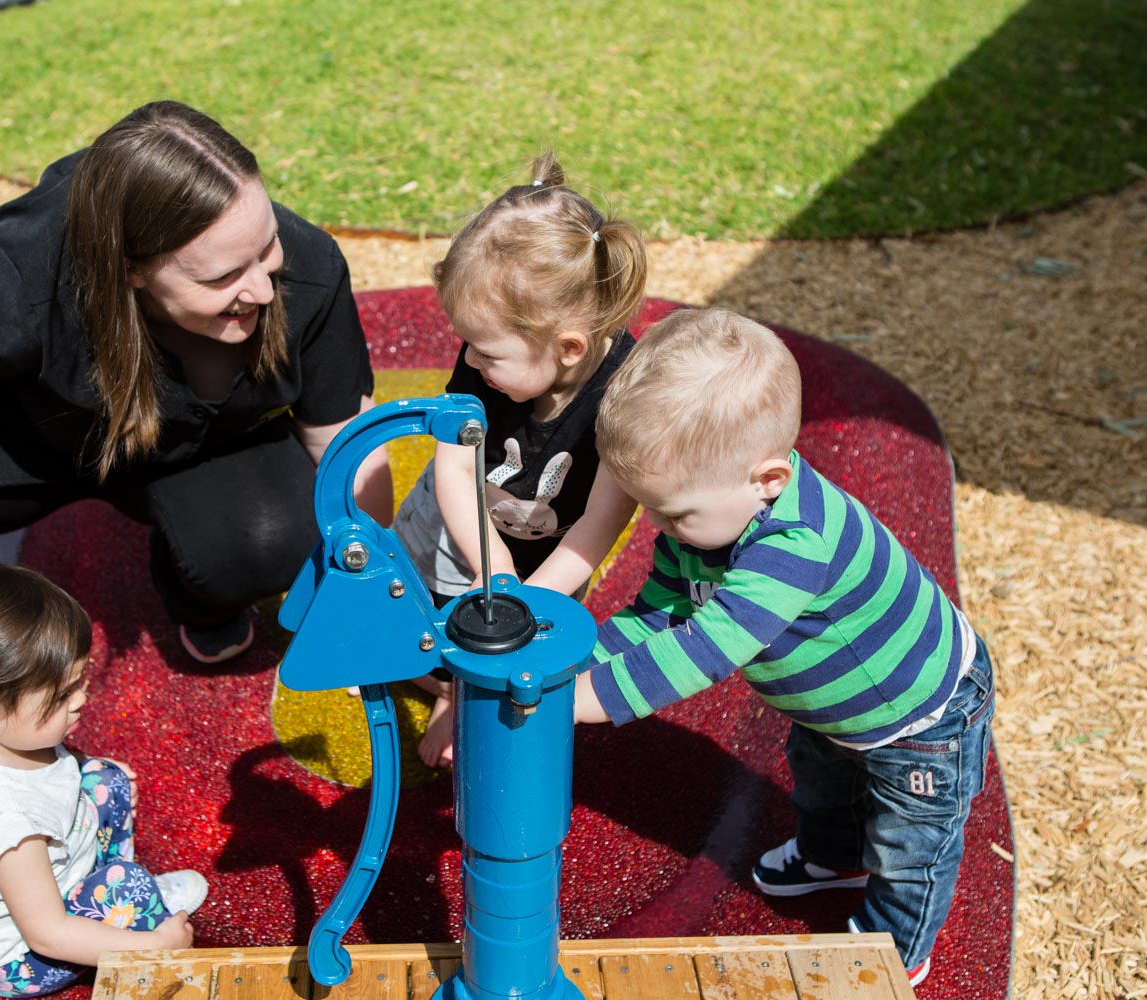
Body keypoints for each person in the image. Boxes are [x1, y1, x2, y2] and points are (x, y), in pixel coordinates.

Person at [0, 100, 391, 845]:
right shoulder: (14, 271)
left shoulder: (304, 266)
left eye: (265, 249)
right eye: (225, 275)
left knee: (278, 530)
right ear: (133, 269)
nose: (265, 289)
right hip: (31, 440)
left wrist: (381, 586)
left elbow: (345, 442)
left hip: (189, 445)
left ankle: (201, 591)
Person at [574, 307, 996, 987]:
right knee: (823, 777)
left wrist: (587, 701)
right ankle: (833, 857)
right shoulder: (703, 526)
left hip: (923, 712)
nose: (658, 526)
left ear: (767, 478)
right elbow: (659, 611)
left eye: (675, 511)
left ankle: (896, 948)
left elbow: (708, 647)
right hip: (836, 706)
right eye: (650, 506)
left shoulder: (796, 543)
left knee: (911, 843)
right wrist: (584, 663)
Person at [391, 153, 648, 767]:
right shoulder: (491, 356)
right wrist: (493, 569)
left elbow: (599, 525)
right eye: (469, 347)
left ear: (568, 348)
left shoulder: (625, 394)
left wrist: (520, 607)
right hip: (463, 519)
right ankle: (433, 671)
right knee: (420, 598)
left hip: (562, 538)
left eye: (485, 353)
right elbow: (453, 469)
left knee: (527, 635)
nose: (471, 364)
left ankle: (464, 690)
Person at [0, 559, 205, 996]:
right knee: (129, 889)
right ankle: (135, 914)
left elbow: (53, 769)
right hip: (15, 957)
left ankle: (105, 885)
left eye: (80, 681)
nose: (82, 699)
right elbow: (47, 934)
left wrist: (83, 766)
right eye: (62, 694)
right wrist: (155, 946)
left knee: (102, 777)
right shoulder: (6, 825)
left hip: (43, 884)